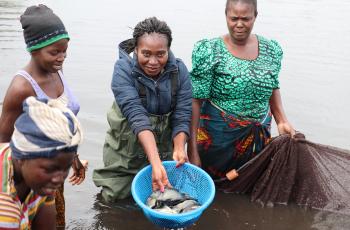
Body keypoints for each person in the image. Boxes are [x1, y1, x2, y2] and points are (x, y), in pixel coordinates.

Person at [188, 0, 295, 182]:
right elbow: (195, 100)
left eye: (245, 19)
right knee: (213, 186)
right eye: (233, 18)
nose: (239, 24)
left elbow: (272, 85)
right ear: (226, 16)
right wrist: (191, 150)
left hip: (259, 135)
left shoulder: (271, 50)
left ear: (255, 17)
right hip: (218, 139)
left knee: (252, 181)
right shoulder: (210, 50)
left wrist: (282, 121)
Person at [0, 4, 87, 228]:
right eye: (54, 52)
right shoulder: (21, 87)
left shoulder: (56, 71)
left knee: (56, 221)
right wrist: (17, 188)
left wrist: (71, 160)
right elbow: (4, 139)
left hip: (54, 165)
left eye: (64, 50)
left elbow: (62, 125)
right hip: (32, 170)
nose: (61, 57)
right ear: (34, 50)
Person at [93, 17, 192, 202]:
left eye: (160, 54)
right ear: (136, 49)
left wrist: (179, 147)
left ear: (168, 50)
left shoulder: (179, 72)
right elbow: (137, 117)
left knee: (166, 199)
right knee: (113, 201)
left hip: (164, 152)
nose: (153, 61)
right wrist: (154, 162)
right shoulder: (123, 70)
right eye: (146, 54)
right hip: (125, 156)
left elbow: (183, 114)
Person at [0, 96, 83, 229]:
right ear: (21, 158)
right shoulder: (4, 207)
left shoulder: (41, 178)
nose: (59, 179)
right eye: (50, 169)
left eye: (66, 168)